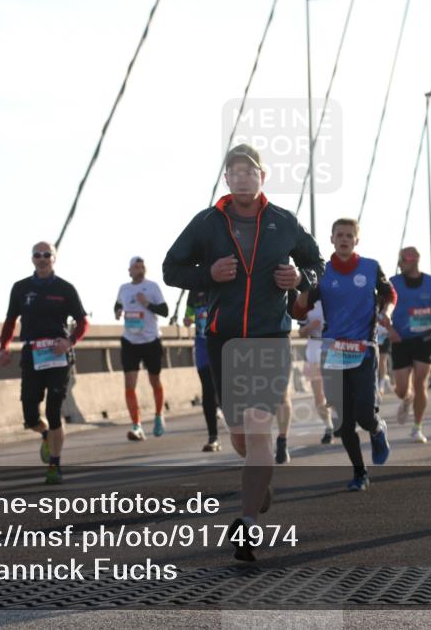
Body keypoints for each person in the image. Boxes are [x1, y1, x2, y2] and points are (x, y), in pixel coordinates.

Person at [163, 143, 323, 561]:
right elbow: (170, 268)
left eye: (250, 171)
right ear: (227, 179)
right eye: (235, 171)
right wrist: (207, 275)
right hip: (225, 340)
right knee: (239, 433)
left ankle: (248, 523)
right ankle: (260, 481)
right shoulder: (207, 223)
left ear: (262, 178)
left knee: (258, 427)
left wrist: (300, 277)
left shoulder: (283, 222)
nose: (243, 177)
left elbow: (317, 264)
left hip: (270, 337)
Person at [293, 218, 394, 491]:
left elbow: (389, 294)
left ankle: (376, 429)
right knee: (343, 422)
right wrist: (302, 289)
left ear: (356, 240)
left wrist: (386, 313)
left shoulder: (371, 267)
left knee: (364, 414)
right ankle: (359, 473)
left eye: (350, 235)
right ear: (332, 239)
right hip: (333, 352)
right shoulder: (322, 273)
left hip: (363, 350)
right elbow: (299, 311)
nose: (344, 239)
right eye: (340, 234)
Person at [0, 242, 89, 485]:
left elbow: (82, 322)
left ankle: (54, 465)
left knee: (54, 411)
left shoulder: (65, 288)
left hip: (58, 356)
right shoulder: (20, 288)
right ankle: (46, 434)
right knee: (30, 415)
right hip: (32, 354)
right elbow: (9, 321)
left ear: (54, 258)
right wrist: (3, 347)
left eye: (46, 255)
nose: (42, 259)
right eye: (37, 255)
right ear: (32, 259)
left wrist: (69, 341)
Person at [386, 247, 431, 443]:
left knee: (420, 381)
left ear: (414, 260)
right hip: (400, 339)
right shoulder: (392, 283)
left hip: (424, 338)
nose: (399, 264)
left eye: (402, 260)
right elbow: (382, 311)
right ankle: (406, 399)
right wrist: (390, 331)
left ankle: (417, 427)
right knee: (401, 388)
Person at [115, 256, 169, 440]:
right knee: (129, 384)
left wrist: (146, 303)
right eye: (136, 267)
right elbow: (118, 304)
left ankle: (158, 415)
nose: (140, 269)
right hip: (130, 341)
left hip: (151, 340)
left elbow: (165, 311)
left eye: (142, 266)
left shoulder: (152, 287)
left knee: (154, 381)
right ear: (129, 270)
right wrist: (117, 311)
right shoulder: (124, 288)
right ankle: (137, 426)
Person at [183, 290, 221, 452]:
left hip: (223, 342)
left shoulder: (224, 281)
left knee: (229, 390)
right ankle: (213, 437)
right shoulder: (194, 290)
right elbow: (189, 315)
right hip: (202, 345)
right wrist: (188, 319)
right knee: (207, 390)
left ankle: (248, 437)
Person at [298, 300, 336, 445]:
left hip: (333, 349)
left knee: (334, 393)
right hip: (314, 353)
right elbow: (301, 333)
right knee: (319, 398)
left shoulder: (334, 299)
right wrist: (309, 327)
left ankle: (339, 419)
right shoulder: (307, 302)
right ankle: (328, 427)